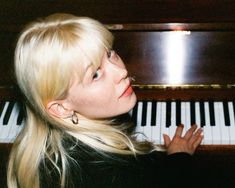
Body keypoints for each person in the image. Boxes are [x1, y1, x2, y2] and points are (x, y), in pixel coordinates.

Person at [7, 13, 203, 188]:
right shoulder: (113, 176)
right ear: (60, 108)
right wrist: (179, 159)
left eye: (110, 53)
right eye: (95, 74)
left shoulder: (45, 147)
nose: (122, 71)